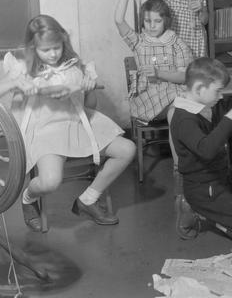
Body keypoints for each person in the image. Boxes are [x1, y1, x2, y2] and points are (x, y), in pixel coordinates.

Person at [0, 15, 135, 232]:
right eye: (46, 50)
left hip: (77, 122)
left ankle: (88, 200)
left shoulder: (74, 66)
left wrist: (89, 87)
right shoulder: (23, 68)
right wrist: (16, 83)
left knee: (127, 149)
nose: (53, 54)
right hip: (46, 129)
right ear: (34, 48)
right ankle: (28, 198)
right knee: (50, 181)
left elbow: (91, 104)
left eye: (57, 47)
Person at [169, 57, 232, 246]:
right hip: (204, 189)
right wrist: (230, 117)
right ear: (200, 89)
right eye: (218, 91)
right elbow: (206, 149)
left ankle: (216, 214)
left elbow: (218, 136)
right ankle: (200, 213)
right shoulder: (184, 119)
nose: (221, 96)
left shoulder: (205, 106)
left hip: (222, 179)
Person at [115, 0, 193, 123]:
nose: (152, 26)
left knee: (180, 110)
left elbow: (184, 77)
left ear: (166, 21)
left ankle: (181, 144)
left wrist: (158, 73)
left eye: (157, 21)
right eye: (147, 21)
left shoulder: (177, 43)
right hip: (149, 98)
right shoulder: (139, 42)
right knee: (179, 110)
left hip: (175, 95)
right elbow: (119, 20)